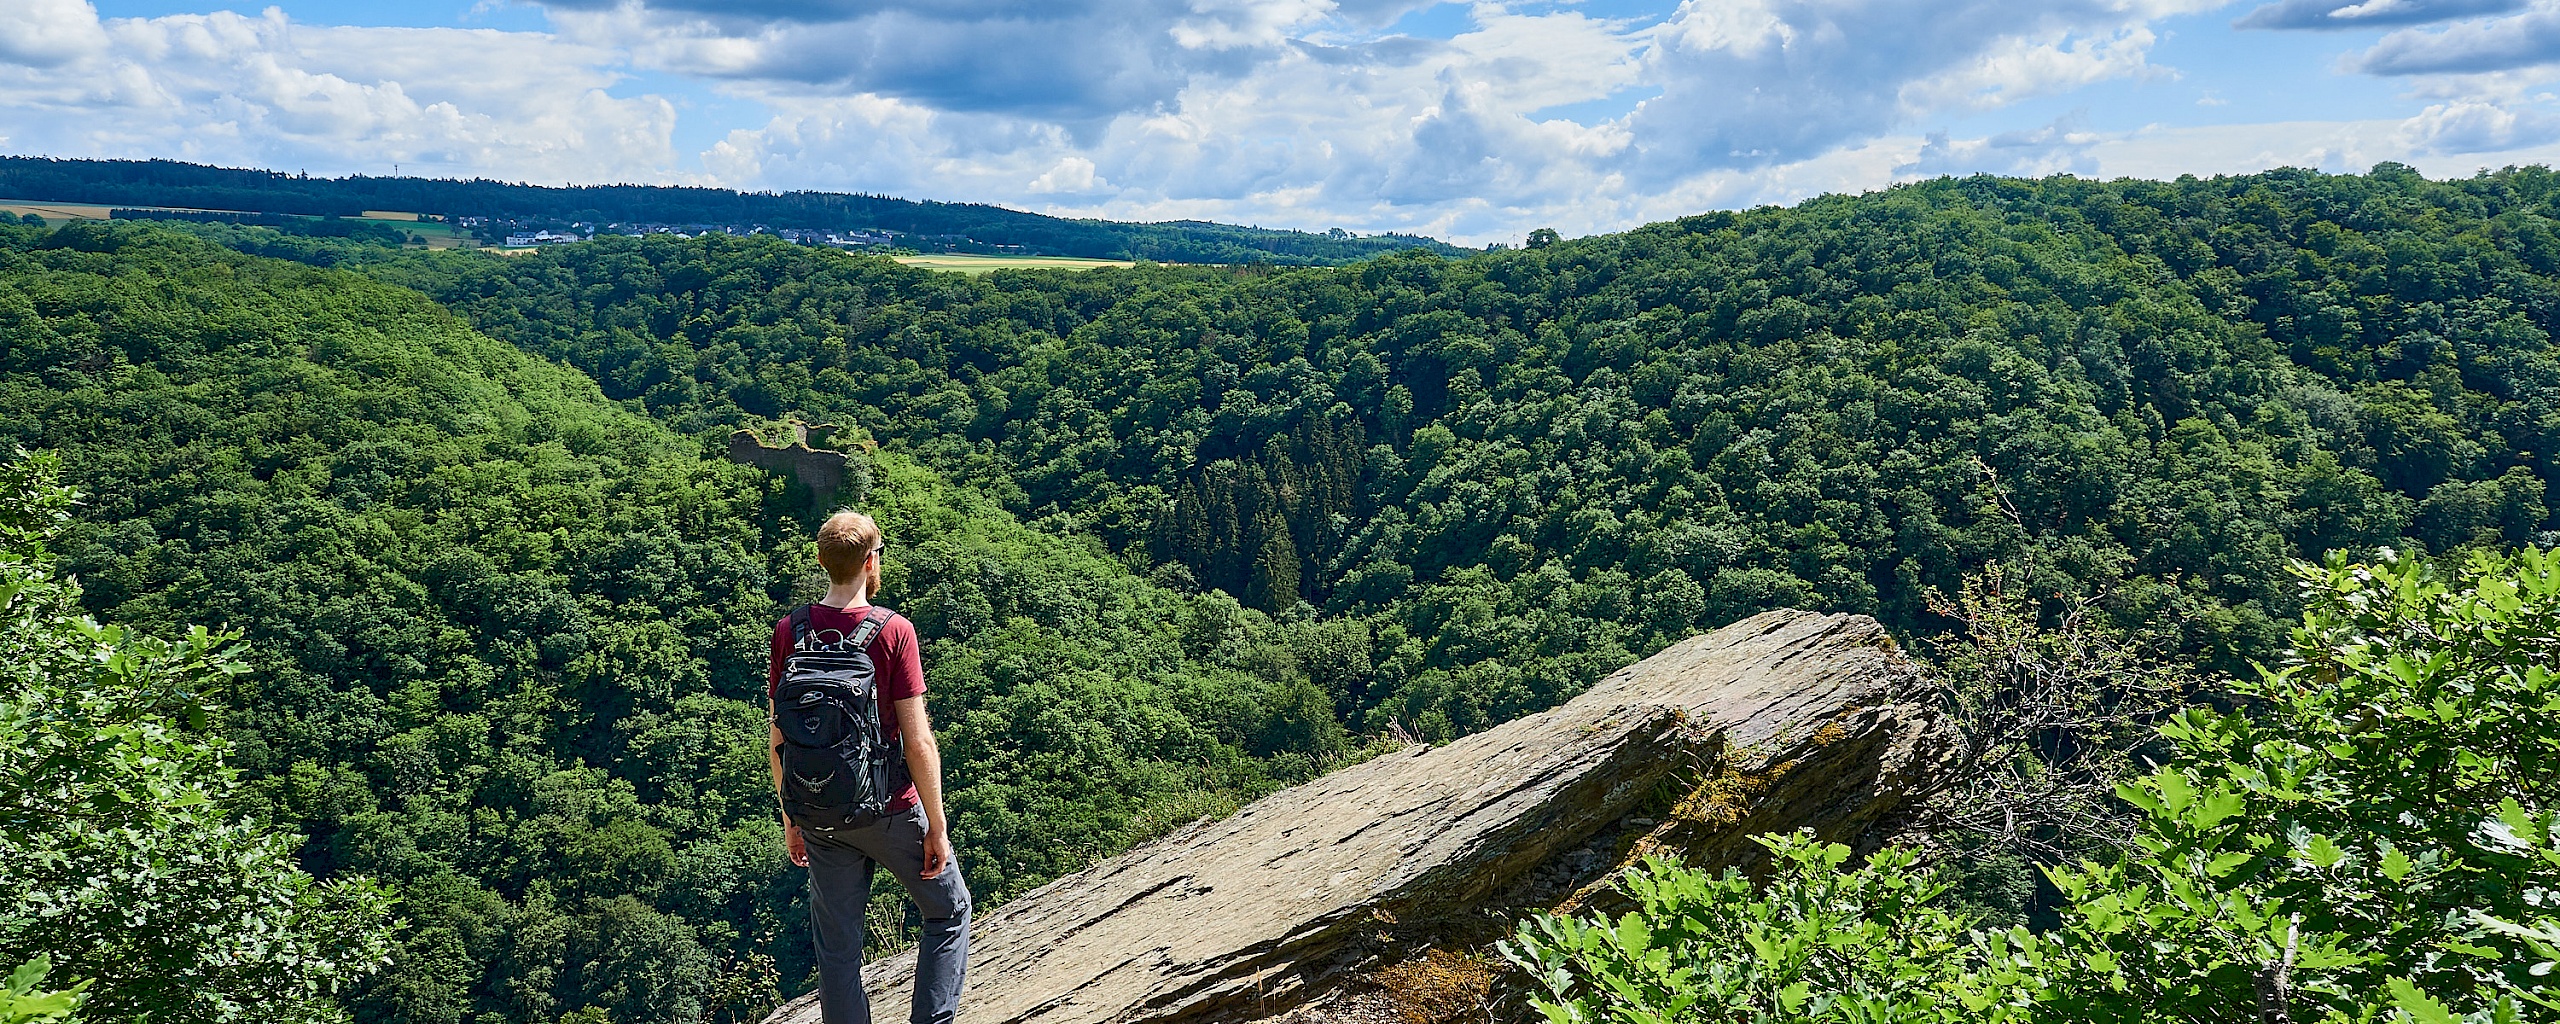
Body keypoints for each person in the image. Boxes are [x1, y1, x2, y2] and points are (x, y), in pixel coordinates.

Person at [770, 511, 969, 1024]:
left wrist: (792, 819)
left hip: (817, 811)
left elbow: (779, 738)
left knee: (837, 952)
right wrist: (937, 827)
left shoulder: (790, 630)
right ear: (871, 562)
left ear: (821, 561)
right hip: (889, 810)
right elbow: (918, 741)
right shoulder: (893, 632)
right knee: (948, 911)